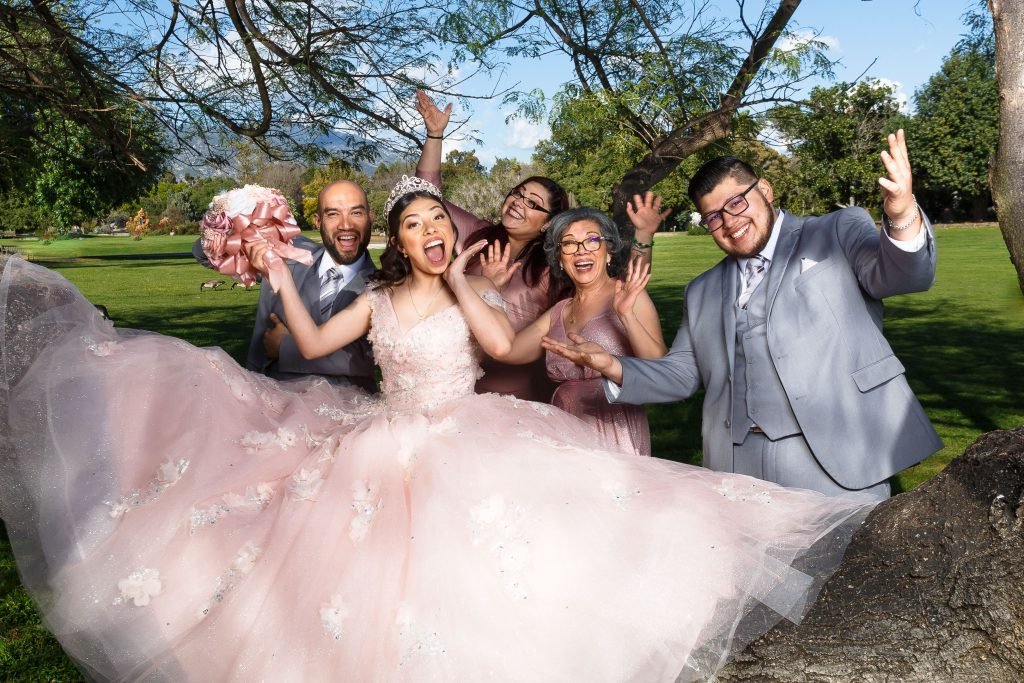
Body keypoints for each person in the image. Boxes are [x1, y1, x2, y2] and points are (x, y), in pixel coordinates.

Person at [0, 177, 874, 682]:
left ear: (445, 234)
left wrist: (562, 298)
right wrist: (271, 263)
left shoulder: (471, 286)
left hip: (472, 433)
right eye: (411, 224)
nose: (425, 231)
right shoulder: (376, 300)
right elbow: (307, 343)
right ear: (396, 241)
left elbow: (502, 344)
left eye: (433, 222)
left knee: (540, 551)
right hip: (384, 435)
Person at [544, 130, 942, 500]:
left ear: (764, 190)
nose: (729, 222)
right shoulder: (701, 290)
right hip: (737, 469)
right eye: (713, 216)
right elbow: (682, 375)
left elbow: (905, 275)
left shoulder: (835, 231)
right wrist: (612, 365)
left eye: (736, 203)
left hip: (839, 455)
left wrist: (902, 213)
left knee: (847, 574)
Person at [414, 90, 668, 401]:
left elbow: (625, 284)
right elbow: (427, 196)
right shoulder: (476, 237)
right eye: (518, 194)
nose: (519, 203)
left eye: (533, 203)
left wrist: (643, 237)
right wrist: (435, 134)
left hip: (521, 392)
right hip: (461, 382)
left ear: (549, 221)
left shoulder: (555, 264)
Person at [503, 207, 666, 455]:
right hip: (565, 431)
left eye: (592, 240)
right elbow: (508, 350)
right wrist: (489, 292)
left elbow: (660, 371)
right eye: (569, 243)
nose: (581, 250)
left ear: (608, 251)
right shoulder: (558, 311)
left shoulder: (628, 296)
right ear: (559, 258)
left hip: (615, 429)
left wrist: (626, 316)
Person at [192, 179, 376, 390]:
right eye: (333, 214)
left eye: (356, 213)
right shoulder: (287, 250)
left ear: (371, 218)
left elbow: (368, 358)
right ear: (317, 221)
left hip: (347, 410)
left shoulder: (385, 285)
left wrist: (285, 346)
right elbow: (202, 254)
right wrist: (234, 221)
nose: (346, 224)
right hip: (266, 399)